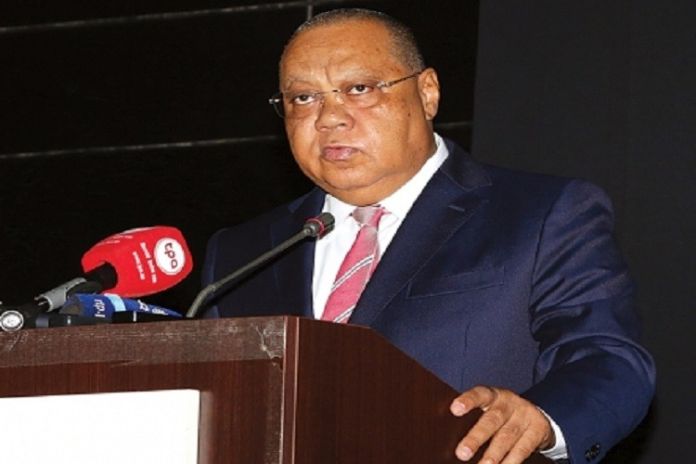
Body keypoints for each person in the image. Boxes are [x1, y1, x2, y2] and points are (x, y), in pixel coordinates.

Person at [202, 8, 655, 463]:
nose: (329, 118)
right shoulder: (242, 254)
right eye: (303, 98)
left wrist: (542, 418)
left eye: (359, 89)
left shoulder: (540, 214)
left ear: (427, 92)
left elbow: (606, 359)